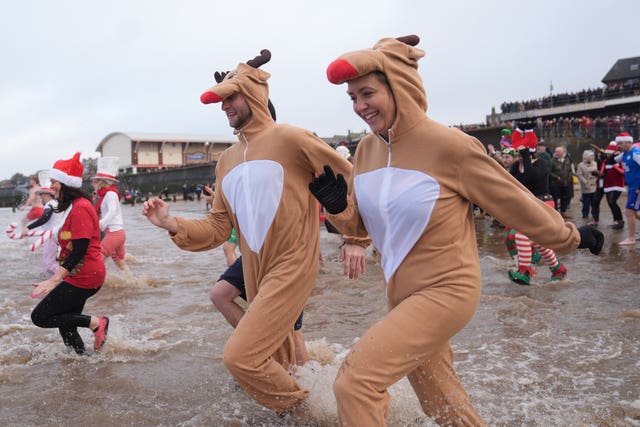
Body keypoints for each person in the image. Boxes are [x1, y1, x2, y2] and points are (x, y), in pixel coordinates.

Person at [312, 35, 603, 426]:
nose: (360, 106)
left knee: (355, 383)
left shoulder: (450, 145)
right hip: (400, 293)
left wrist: (573, 237)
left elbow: (515, 203)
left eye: (367, 93)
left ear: (398, 87)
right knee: (442, 401)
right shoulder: (366, 150)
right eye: (352, 97)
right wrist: (337, 210)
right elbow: (363, 225)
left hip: (446, 290)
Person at [142, 49, 367, 415]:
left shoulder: (293, 139)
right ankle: (311, 405)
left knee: (240, 356)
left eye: (231, 97)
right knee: (277, 360)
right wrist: (172, 223)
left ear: (254, 95)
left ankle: (307, 415)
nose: (224, 106)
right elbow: (218, 228)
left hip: (293, 263)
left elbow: (351, 180)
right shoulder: (227, 161)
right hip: (254, 268)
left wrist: (355, 238)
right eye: (222, 100)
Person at [30, 152, 109, 355]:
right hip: (82, 274)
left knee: (40, 317)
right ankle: (82, 361)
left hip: (84, 276)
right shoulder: (74, 206)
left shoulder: (81, 208)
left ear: (66, 183)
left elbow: (80, 251)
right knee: (66, 324)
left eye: (54, 181)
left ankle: (96, 323)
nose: (51, 186)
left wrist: (53, 280)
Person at [506, 127, 567, 284]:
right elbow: (510, 184)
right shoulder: (515, 166)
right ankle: (558, 269)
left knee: (521, 234)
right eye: (517, 153)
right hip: (527, 205)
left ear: (528, 152)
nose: (516, 155)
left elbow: (530, 177)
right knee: (539, 242)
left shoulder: (541, 163)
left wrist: (526, 155)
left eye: (519, 152)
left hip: (543, 203)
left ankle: (525, 272)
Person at [91, 156, 131, 275]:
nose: (94, 182)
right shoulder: (104, 195)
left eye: (96, 180)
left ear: (102, 182)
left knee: (98, 258)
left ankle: (95, 282)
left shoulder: (110, 194)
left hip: (115, 233)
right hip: (116, 232)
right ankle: (134, 282)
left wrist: (100, 224)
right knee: (120, 262)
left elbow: (112, 211)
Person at [26, 170, 64, 276]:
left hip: (52, 237)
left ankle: (66, 278)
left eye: (41, 194)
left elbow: (44, 218)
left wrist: (28, 228)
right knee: (52, 262)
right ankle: (53, 281)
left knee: (49, 264)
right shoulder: (57, 203)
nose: (40, 197)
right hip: (59, 236)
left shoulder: (49, 204)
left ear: (45, 194)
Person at [614, 132, 640, 245]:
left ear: (629, 142)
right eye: (617, 143)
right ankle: (632, 237)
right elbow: (613, 160)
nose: (618, 145)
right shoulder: (624, 154)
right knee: (635, 213)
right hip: (631, 188)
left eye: (620, 143)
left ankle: (631, 238)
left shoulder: (635, 153)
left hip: (637, 188)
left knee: (629, 211)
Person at [601, 140, 626, 229]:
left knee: (613, 201)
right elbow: (603, 173)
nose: (608, 155)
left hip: (618, 185)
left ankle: (620, 220)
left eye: (609, 154)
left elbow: (623, 172)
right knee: (610, 203)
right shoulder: (606, 161)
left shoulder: (619, 161)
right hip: (608, 185)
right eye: (607, 154)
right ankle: (616, 220)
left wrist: (615, 167)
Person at [550, 145, 575, 218]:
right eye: (556, 151)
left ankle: (563, 212)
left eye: (559, 151)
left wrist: (569, 177)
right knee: (555, 198)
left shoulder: (567, 160)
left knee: (565, 198)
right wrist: (556, 177)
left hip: (566, 183)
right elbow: (549, 172)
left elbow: (571, 170)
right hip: (556, 183)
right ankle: (555, 213)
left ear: (563, 152)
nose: (557, 153)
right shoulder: (552, 161)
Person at [576, 149, 598, 224]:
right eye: (590, 156)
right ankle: (585, 214)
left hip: (594, 186)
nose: (592, 158)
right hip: (586, 187)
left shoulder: (595, 163)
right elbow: (579, 174)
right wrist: (585, 182)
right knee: (586, 202)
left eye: (593, 156)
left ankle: (594, 215)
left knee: (594, 202)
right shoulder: (581, 165)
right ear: (586, 157)